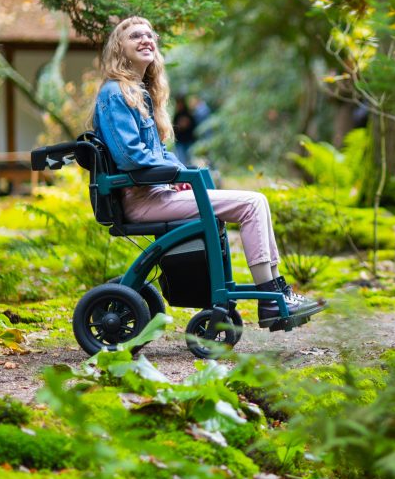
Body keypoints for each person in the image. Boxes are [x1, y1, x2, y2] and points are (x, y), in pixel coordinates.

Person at [92, 16, 322, 326]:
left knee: (258, 201)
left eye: (149, 35)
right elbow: (131, 156)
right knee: (252, 204)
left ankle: (278, 290)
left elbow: (155, 154)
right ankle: (271, 300)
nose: (146, 39)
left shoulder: (139, 91)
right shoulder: (115, 93)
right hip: (142, 199)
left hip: (157, 193)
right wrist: (180, 173)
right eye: (135, 36)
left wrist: (177, 174)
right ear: (120, 47)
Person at [172, 95, 196, 165]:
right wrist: (180, 126)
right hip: (180, 141)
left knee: (191, 160)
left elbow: (194, 126)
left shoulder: (189, 114)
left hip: (189, 140)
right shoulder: (177, 115)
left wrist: (187, 124)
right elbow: (174, 128)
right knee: (182, 160)